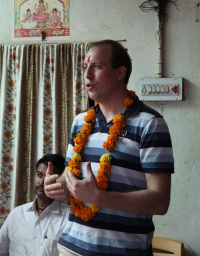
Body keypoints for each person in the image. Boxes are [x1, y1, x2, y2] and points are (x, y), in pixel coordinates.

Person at [44, 40, 174, 256]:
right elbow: (71, 175)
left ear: (120, 73)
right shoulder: (80, 121)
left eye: (96, 66)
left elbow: (160, 202)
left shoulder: (150, 123)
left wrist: (101, 198)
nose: (86, 75)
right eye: (85, 67)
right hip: (70, 248)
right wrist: (55, 184)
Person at [0, 154, 70, 256]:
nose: (42, 182)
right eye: (39, 175)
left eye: (49, 177)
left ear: (61, 181)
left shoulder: (70, 218)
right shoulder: (16, 214)